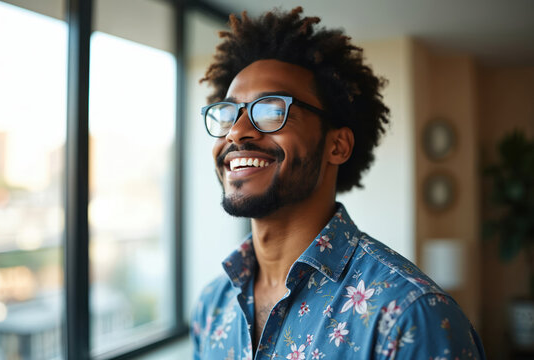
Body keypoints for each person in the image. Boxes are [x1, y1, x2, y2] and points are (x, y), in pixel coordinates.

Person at [191, 7, 485, 360]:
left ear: (337, 145)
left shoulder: (411, 317)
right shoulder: (211, 307)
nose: (236, 131)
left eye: (270, 110)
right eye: (228, 114)